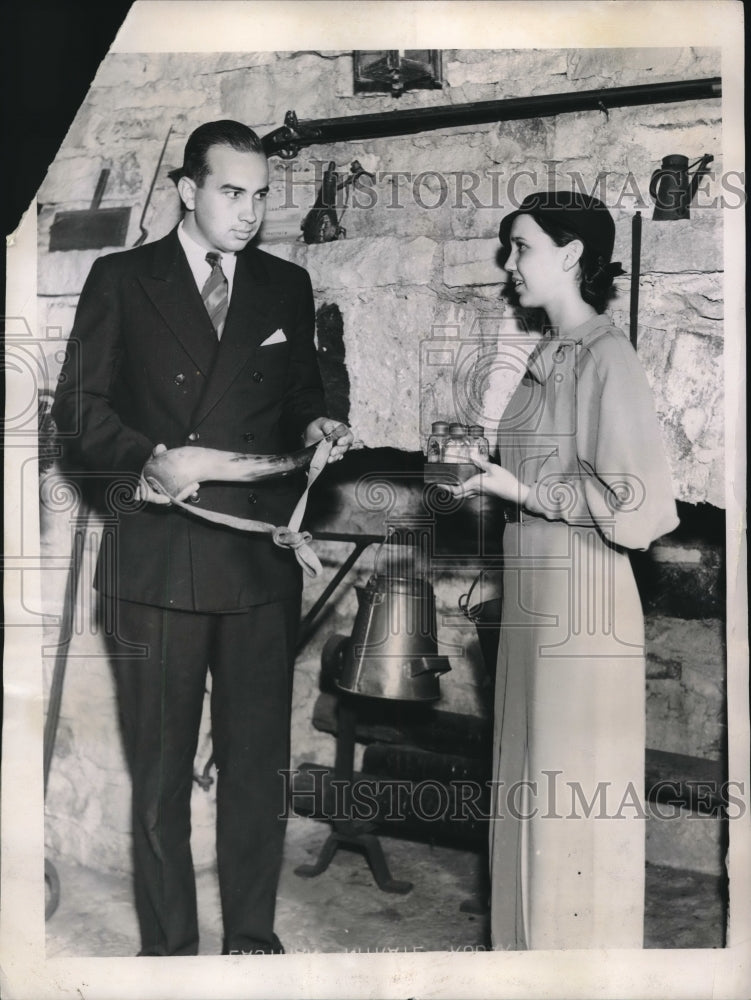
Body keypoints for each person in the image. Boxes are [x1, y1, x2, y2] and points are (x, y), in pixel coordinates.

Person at [52, 120, 353, 956]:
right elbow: (75, 415)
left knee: (256, 769)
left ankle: (251, 938)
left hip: (258, 558)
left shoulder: (284, 285)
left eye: (260, 195)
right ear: (188, 190)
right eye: (231, 191)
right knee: (162, 776)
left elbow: (298, 395)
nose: (249, 211)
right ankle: (170, 952)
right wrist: (153, 457)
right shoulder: (122, 278)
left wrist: (321, 418)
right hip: (156, 563)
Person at [451, 191, 678, 949]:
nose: (507, 264)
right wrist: (485, 470)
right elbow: (543, 470)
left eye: (519, 247)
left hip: (583, 614)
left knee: (569, 820)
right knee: (524, 802)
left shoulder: (609, 358)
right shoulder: (546, 355)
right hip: (532, 609)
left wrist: (524, 489)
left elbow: (640, 508)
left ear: (571, 253)